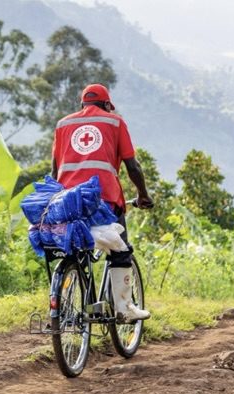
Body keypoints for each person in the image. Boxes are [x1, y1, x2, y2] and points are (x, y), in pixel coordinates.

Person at [51, 84, 153, 322]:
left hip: (68, 201)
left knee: (75, 249)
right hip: (103, 200)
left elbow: (55, 169)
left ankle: (69, 291)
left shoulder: (63, 125)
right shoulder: (114, 122)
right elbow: (132, 166)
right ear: (107, 105)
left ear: (82, 105)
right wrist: (143, 195)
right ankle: (124, 308)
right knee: (121, 251)